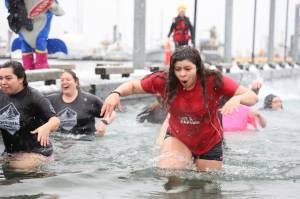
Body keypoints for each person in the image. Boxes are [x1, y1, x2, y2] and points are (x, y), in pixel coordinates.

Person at [101, 46, 258, 171]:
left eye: (188, 69)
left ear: (198, 68)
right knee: (171, 178)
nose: (182, 74)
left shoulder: (213, 80)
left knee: (206, 187)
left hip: (208, 143)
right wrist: (116, 93)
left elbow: (253, 97)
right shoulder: (164, 80)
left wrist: (238, 98)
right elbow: (134, 86)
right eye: (178, 69)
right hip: (178, 138)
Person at [0, 61, 60, 170]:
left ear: (21, 78)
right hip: (10, 153)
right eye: (0, 78)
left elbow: (55, 121)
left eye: (8, 78)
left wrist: (46, 127)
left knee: (16, 170)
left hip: (37, 153)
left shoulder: (34, 97)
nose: (3, 82)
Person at [47, 70, 115, 136]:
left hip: (86, 141)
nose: (64, 82)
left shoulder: (90, 100)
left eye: (68, 80)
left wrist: (104, 122)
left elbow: (111, 112)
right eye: (62, 80)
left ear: (76, 82)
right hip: (60, 142)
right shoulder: (52, 100)